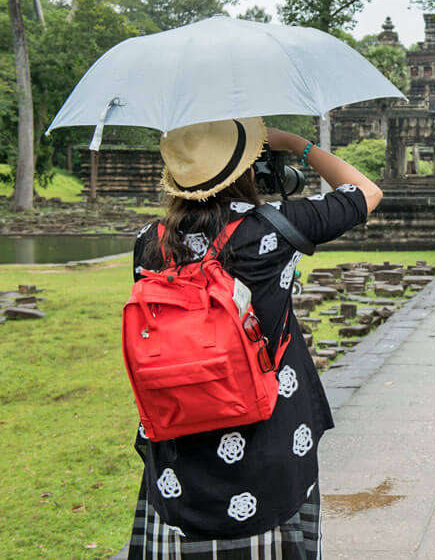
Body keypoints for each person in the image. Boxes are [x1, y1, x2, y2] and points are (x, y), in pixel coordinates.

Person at [126, 117, 382, 558]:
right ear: (243, 170)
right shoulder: (273, 228)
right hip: (268, 434)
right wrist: (293, 144)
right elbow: (366, 193)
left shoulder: (151, 241)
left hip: (177, 439)